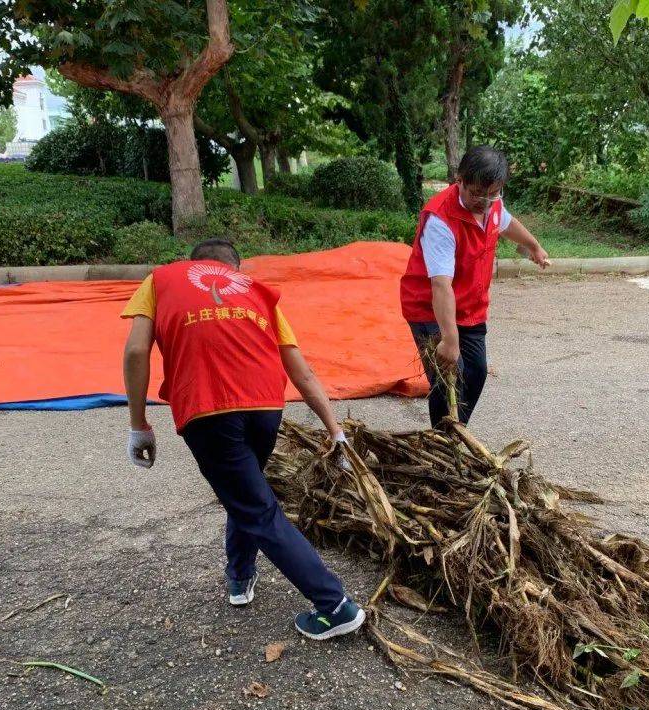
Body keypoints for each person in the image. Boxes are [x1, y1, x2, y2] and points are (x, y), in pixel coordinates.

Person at [120, 238, 365, 640]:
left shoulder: (161, 280)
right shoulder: (256, 291)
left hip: (208, 408)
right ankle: (240, 575)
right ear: (235, 268)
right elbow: (302, 373)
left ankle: (334, 604)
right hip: (266, 409)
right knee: (245, 493)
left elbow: (135, 353)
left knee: (256, 508)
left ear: (193, 265)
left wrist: (138, 426)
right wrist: (335, 431)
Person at [399, 146, 551, 428]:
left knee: (477, 372)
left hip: (470, 307)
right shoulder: (441, 220)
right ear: (460, 180)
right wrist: (449, 339)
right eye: (477, 193)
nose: (485, 201)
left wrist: (533, 246)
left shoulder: (492, 204)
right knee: (448, 378)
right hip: (429, 308)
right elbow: (441, 285)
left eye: (493, 194)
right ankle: (445, 443)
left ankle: (453, 435)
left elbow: (506, 223)